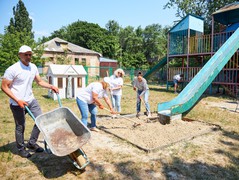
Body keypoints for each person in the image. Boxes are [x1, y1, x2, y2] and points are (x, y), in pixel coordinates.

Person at [1, 45, 59, 158]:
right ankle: (21, 148)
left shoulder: (33, 67)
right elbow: (4, 87)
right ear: (20, 55)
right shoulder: (13, 69)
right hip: (17, 103)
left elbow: (40, 82)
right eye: (26, 54)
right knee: (20, 126)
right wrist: (17, 100)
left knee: (40, 120)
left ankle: (32, 143)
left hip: (31, 100)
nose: (28, 57)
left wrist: (51, 86)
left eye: (30, 54)